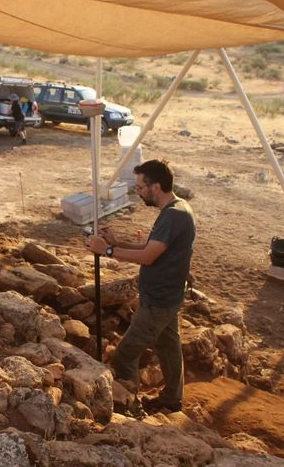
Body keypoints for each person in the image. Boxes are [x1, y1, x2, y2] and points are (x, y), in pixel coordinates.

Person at [85, 159, 195, 415]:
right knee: (168, 347)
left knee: (125, 355)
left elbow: (147, 257)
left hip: (158, 300)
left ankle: (129, 408)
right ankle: (172, 400)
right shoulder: (178, 210)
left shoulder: (174, 216)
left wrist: (108, 250)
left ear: (156, 186)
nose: (138, 192)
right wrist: (117, 242)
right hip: (167, 296)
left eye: (140, 187)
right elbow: (151, 250)